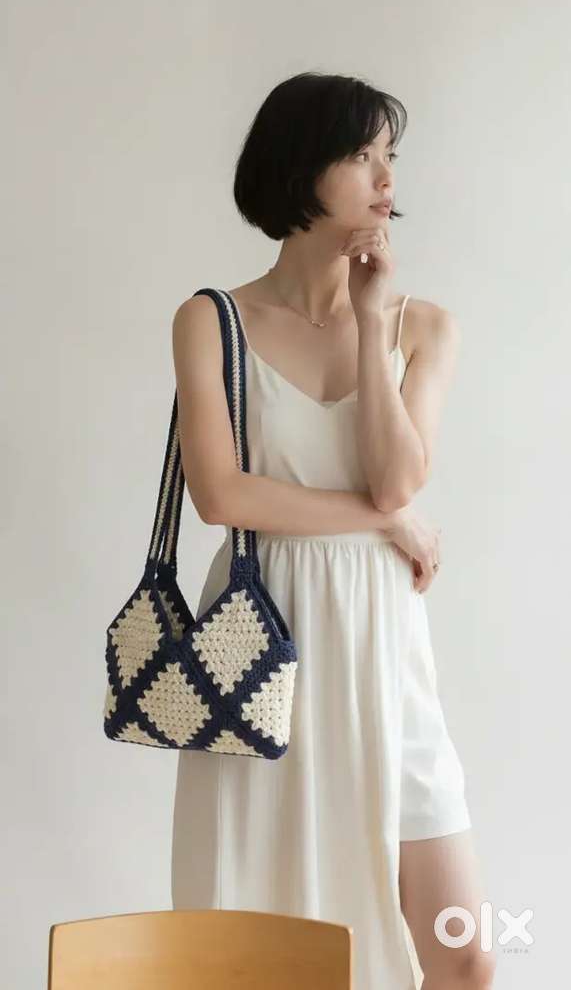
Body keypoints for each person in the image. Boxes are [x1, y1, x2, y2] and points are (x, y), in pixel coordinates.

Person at [170, 71, 496, 990]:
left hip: (383, 650)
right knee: (267, 959)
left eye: (389, 157)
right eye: (360, 155)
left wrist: (368, 319)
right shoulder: (211, 320)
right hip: (259, 648)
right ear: (298, 165)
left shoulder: (421, 326)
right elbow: (220, 496)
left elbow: (395, 475)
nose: (385, 179)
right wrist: (387, 522)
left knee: (465, 955)